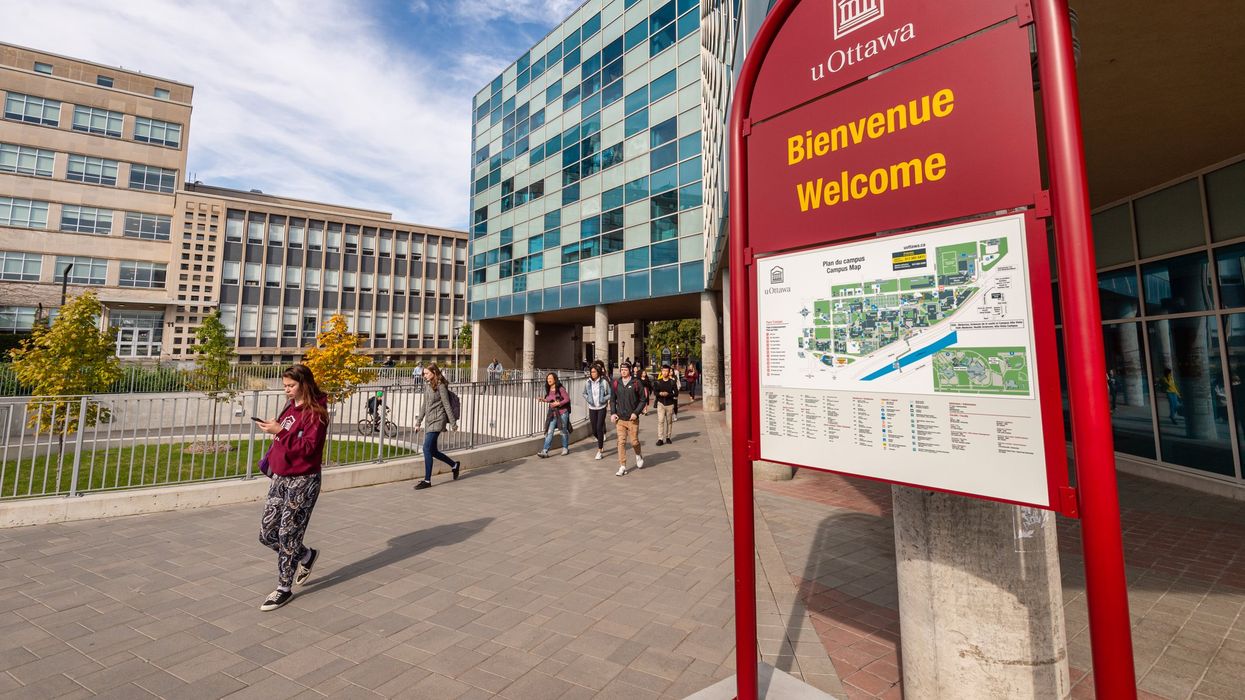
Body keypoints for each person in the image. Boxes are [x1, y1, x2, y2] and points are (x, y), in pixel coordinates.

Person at [255, 364, 329, 611]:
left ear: (304, 384)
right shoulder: (290, 406)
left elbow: (308, 448)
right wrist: (275, 428)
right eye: (285, 385)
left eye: (291, 385)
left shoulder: (316, 412)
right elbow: (287, 435)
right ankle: (306, 556)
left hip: (304, 480)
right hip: (281, 477)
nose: (286, 390)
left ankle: (283, 588)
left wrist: (280, 433)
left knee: (288, 535)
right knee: (267, 534)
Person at [413, 363, 461, 490]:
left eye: (427, 373)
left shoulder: (441, 386)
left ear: (434, 372)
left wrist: (453, 424)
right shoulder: (428, 386)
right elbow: (424, 405)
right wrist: (418, 422)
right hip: (429, 421)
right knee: (433, 451)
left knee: (426, 448)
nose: (424, 376)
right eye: (423, 374)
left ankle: (427, 480)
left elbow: (446, 405)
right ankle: (454, 465)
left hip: (438, 420)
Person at [610, 363, 649, 476]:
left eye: (625, 370)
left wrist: (636, 413)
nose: (623, 371)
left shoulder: (636, 383)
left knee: (634, 441)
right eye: (621, 370)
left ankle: (638, 454)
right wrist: (613, 413)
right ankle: (622, 466)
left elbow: (643, 399)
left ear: (630, 371)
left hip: (632, 419)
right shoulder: (616, 383)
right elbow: (612, 399)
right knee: (621, 442)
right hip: (620, 419)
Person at [537, 372, 572, 457]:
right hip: (553, 413)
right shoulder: (549, 389)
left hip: (562, 412)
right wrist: (543, 399)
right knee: (549, 431)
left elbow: (567, 399)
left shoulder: (560, 389)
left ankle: (565, 448)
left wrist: (558, 403)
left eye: (550, 378)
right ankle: (545, 451)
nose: (549, 380)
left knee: (563, 431)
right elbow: (550, 399)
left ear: (555, 379)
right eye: (548, 378)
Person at [583, 364, 612, 460]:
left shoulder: (604, 382)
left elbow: (610, 394)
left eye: (594, 372)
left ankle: (600, 450)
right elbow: (584, 393)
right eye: (591, 372)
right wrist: (589, 399)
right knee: (594, 429)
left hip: (601, 407)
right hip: (592, 408)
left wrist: (603, 399)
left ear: (598, 372)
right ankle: (600, 439)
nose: (593, 374)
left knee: (599, 427)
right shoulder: (588, 382)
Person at [652, 364, 679, 446]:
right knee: (660, 421)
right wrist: (660, 393)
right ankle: (660, 439)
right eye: (663, 371)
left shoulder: (672, 382)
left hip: (670, 404)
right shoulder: (658, 381)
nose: (664, 372)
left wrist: (668, 394)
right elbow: (655, 392)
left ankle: (668, 437)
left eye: (666, 371)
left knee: (669, 421)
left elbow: (676, 393)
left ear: (669, 372)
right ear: (661, 371)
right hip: (660, 404)